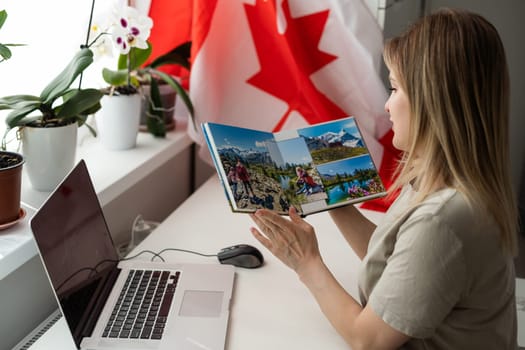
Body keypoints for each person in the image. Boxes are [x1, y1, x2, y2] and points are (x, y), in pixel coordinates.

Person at [249, 8, 518, 349]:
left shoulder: (443, 220)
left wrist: (305, 262)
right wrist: (336, 201)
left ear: (431, 102)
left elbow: (368, 339)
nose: (386, 106)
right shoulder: (445, 183)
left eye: (394, 89)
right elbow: (401, 261)